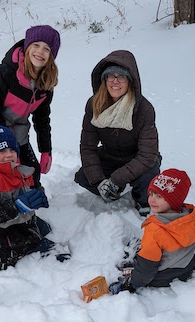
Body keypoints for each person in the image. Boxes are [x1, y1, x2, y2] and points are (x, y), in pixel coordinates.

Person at [0, 123, 67, 275]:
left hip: (19, 219)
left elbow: (27, 188)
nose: (9, 154)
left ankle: (29, 231)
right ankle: (3, 255)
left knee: (42, 228)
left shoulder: (17, 170)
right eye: (2, 151)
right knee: (26, 244)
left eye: (12, 150)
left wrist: (37, 194)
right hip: (2, 229)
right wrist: (16, 207)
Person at [0, 25, 61, 189]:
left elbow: (42, 119)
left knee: (32, 171)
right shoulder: (6, 72)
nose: (40, 52)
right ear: (27, 46)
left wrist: (46, 150)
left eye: (47, 48)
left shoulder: (45, 84)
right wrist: (6, 145)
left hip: (18, 127)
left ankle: (30, 200)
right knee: (4, 170)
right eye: (36, 45)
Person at [74, 50, 161, 217]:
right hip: (110, 156)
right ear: (104, 79)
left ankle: (142, 203)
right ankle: (111, 192)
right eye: (110, 76)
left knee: (149, 180)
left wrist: (116, 179)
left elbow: (147, 155)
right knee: (84, 176)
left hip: (138, 159)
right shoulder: (94, 105)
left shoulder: (143, 108)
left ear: (130, 81)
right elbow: (87, 147)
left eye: (121, 76)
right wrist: (100, 181)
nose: (115, 81)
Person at [108, 168, 195, 294]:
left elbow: (147, 268)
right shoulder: (191, 218)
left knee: (142, 256)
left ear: (173, 200)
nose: (152, 200)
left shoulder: (155, 229)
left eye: (159, 196)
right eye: (151, 194)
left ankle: (132, 263)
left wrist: (132, 284)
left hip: (161, 278)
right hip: (185, 268)